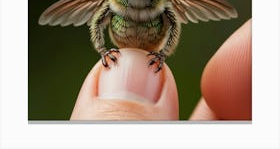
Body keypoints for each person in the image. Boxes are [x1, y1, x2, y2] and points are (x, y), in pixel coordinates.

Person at [70, 19, 251, 120]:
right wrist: (102, 50)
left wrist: (164, 52)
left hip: (153, 46)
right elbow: (96, 22)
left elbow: (174, 23)